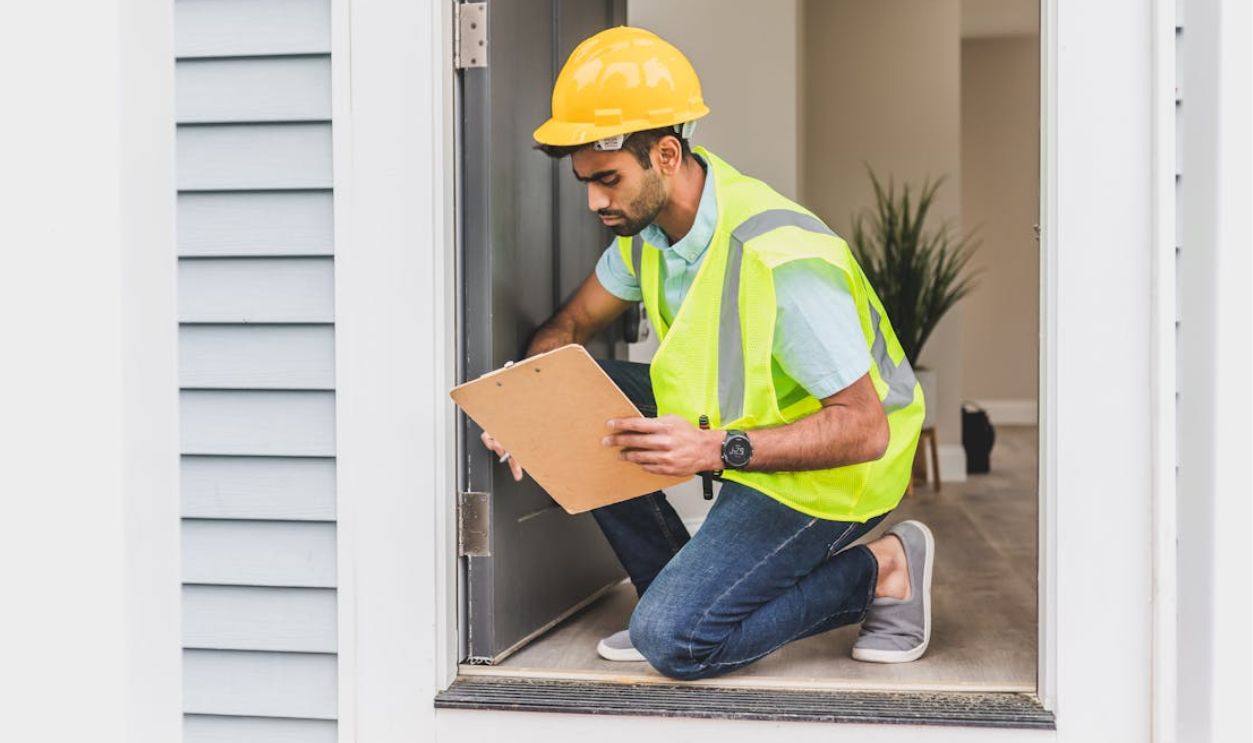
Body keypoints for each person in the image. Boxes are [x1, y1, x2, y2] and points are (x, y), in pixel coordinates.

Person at [481, 26, 932, 681]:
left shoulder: (778, 259)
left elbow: (863, 428)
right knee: (576, 395)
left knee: (675, 641)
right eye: (585, 181)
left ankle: (885, 567)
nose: (593, 201)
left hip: (834, 473)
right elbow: (570, 322)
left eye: (607, 179)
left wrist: (718, 449)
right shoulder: (648, 234)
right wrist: (532, 403)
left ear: (665, 154)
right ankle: (677, 589)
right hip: (743, 436)